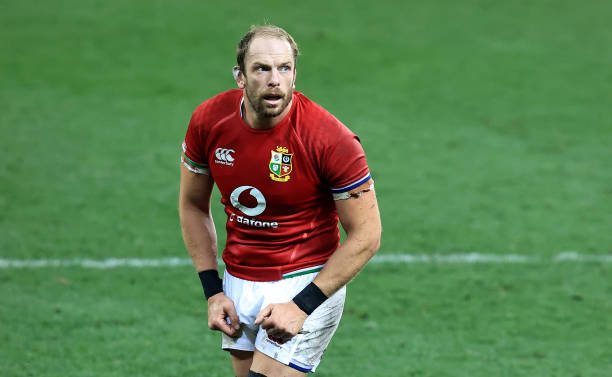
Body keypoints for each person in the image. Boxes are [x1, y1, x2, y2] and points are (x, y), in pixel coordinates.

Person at [179, 25, 381, 377]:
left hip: (306, 278)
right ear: (240, 77)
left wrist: (302, 306)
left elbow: (367, 234)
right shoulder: (209, 121)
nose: (275, 79)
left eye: (284, 68)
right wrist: (213, 291)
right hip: (239, 279)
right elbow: (193, 205)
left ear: (294, 74)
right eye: (262, 69)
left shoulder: (330, 140)